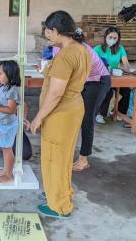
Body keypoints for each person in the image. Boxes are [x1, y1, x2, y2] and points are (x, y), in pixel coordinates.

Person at [30, 11, 91, 219]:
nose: (46, 35)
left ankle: (59, 206)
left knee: (55, 158)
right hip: (72, 109)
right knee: (62, 157)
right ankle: (60, 194)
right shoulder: (81, 50)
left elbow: (56, 93)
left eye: (48, 31)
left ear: (56, 31)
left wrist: (38, 118)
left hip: (60, 113)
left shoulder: (66, 55)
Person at [52, 40, 111, 172]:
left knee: (86, 120)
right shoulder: (56, 47)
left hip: (97, 81)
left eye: (49, 33)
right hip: (82, 82)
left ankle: (83, 159)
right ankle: (67, 153)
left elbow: (75, 72)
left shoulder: (78, 48)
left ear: (58, 33)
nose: (48, 38)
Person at [94, 27, 131, 124]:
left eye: (115, 38)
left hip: (115, 77)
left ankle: (118, 112)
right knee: (108, 92)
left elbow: (127, 66)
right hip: (101, 78)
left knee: (127, 91)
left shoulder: (120, 49)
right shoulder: (98, 49)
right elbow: (92, 66)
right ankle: (100, 114)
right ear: (105, 36)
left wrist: (121, 69)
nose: (112, 40)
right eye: (110, 37)